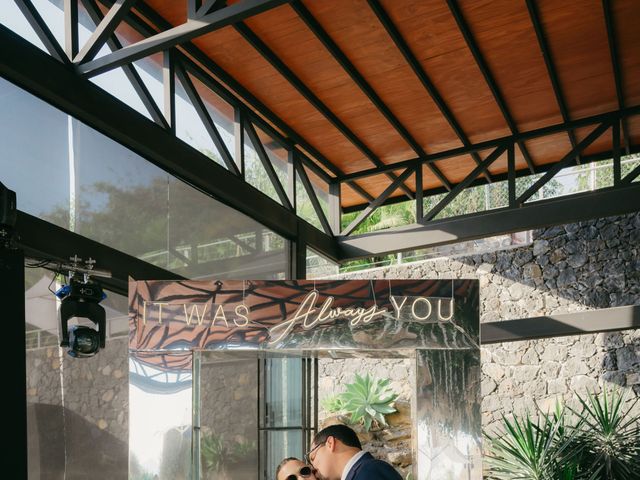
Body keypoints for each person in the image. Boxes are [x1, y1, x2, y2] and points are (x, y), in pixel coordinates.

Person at [306, 424, 402, 480]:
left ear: (330, 443)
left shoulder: (368, 472)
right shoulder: (368, 469)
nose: (313, 468)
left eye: (312, 458)